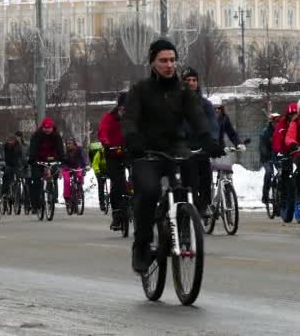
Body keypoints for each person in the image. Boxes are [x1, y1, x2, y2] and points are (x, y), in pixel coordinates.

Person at [121, 39, 221, 273]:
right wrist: (133, 139)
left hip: (175, 147)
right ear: (153, 62)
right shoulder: (140, 90)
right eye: (163, 60)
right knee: (149, 191)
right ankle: (142, 246)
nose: (169, 65)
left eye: (172, 60)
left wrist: (207, 139)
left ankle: (186, 223)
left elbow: (196, 116)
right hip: (146, 150)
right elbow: (129, 119)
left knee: (190, 179)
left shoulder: (183, 90)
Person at [181, 67, 221, 218]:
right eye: (188, 80)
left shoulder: (205, 104)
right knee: (190, 180)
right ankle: (190, 206)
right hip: (184, 148)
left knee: (206, 176)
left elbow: (212, 124)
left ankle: (204, 205)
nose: (191, 83)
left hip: (201, 147)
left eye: (194, 80)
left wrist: (213, 141)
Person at [98, 92, 127, 229]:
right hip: (113, 153)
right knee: (117, 182)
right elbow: (103, 131)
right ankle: (117, 214)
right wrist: (106, 142)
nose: (124, 110)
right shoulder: (109, 117)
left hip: (130, 152)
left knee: (139, 177)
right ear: (119, 106)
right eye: (123, 107)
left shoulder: (134, 117)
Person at [28, 117, 64, 213]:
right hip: (38, 160)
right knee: (36, 180)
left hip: (52, 159)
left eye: (49, 128)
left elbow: (60, 149)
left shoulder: (56, 136)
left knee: (53, 176)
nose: (47, 130)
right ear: (42, 128)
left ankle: (52, 197)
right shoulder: (37, 136)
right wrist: (32, 159)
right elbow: (33, 148)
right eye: (45, 128)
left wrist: (62, 160)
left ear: (52, 128)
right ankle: (36, 205)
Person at [271, 103, 299, 221]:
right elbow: (277, 140)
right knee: (284, 175)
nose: (293, 117)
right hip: (284, 153)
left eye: (296, 114)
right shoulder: (281, 125)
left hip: (297, 153)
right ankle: (282, 200)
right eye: (291, 115)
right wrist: (279, 152)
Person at [259, 113, 281, 204]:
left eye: (278, 122)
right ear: (271, 122)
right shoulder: (266, 133)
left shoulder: (281, 131)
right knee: (269, 172)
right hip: (267, 158)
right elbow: (263, 147)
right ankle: (265, 195)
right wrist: (268, 155)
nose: (277, 124)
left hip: (278, 156)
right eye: (275, 122)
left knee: (283, 172)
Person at [61, 137, 87, 206]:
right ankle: (67, 197)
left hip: (76, 167)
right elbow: (62, 161)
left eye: (70, 143)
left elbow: (82, 159)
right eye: (67, 144)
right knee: (66, 181)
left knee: (79, 175)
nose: (68, 145)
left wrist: (84, 166)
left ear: (74, 144)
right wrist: (64, 166)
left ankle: (79, 190)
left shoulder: (78, 150)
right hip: (67, 168)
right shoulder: (64, 151)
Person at [2, 135, 24, 199]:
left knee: (18, 177)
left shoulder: (18, 147)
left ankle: (18, 192)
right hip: (8, 165)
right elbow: (3, 156)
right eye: (9, 140)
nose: (10, 142)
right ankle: (5, 192)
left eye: (12, 140)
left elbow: (21, 157)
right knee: (5, 177)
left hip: (17, 165)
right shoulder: (5, 146)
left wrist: (23, 164)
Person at [89, 141, 107, 211]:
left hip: (108, 169)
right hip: (100, 170)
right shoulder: (100, 153)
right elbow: (94, 163)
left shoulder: (110, 153)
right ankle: (102, 203)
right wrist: (97, 171)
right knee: (101, 185)